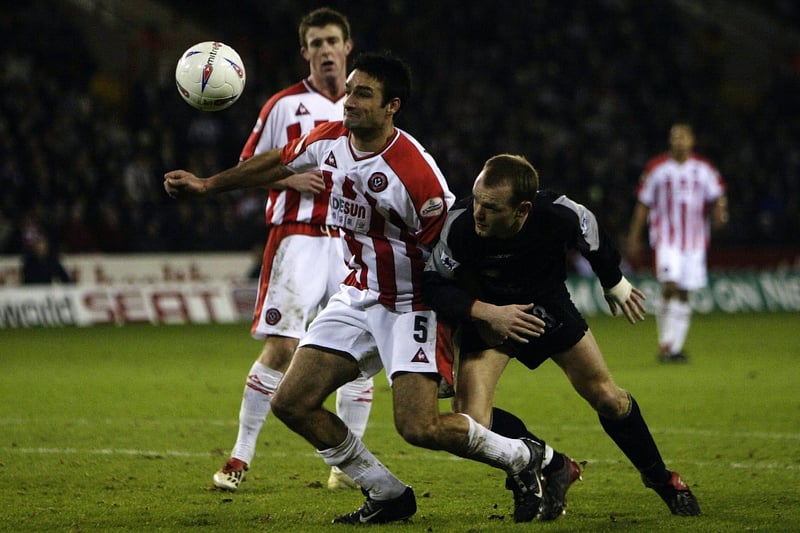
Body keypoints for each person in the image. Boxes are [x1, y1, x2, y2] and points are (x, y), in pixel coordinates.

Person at [166, 51, 551, 525]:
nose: (348, 101)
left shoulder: (413, 173)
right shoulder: (330, 138)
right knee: (291, 402)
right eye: (349, 90)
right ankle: (386, 492)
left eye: (362, 94)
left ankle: (529, 459)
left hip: (413, 306)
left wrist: (463, 325)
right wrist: (208, 185)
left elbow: (454, 254)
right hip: (357, 293)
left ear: (392, 106)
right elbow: (277, 162)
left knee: (419, 427)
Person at [423, 153, 702, 517]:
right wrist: (484, 313)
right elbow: (433, 285)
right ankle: (548, 463)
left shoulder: (556, 213)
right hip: (488, 318)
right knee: (470, 421)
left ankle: (660, 478)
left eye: (490, 207)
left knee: (608, 399)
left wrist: (612, 279)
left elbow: (591, 231)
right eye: (476, 200)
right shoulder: (459, 227)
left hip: (546, 307)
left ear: (523, 210)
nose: (477, 212)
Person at [208, 8, 375, 492]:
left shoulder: (364, 108)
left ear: (348, 48)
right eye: (316, 43)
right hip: (298, 238)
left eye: (333, 42)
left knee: (358, 353)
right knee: (282, 347)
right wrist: (289, 176)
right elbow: (247, 167)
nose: (325, 50)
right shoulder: (283, 106)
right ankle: (240, 457)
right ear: (305, 52)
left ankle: (347, 466)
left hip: (351, 244)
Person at [627, 123, 728, 363]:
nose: (679, 140)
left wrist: (721, 213)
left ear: (692, 141)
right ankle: (665, 344)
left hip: (694, 242)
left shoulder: (704, 169)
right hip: (666, 239)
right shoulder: (657, 169)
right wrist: (634, 236)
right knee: (670, 286)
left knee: (684, 293)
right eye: (675, 136)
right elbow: (643, 203)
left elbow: (718, 196)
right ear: (670, 141)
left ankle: (674, 348)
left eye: (684, 136)